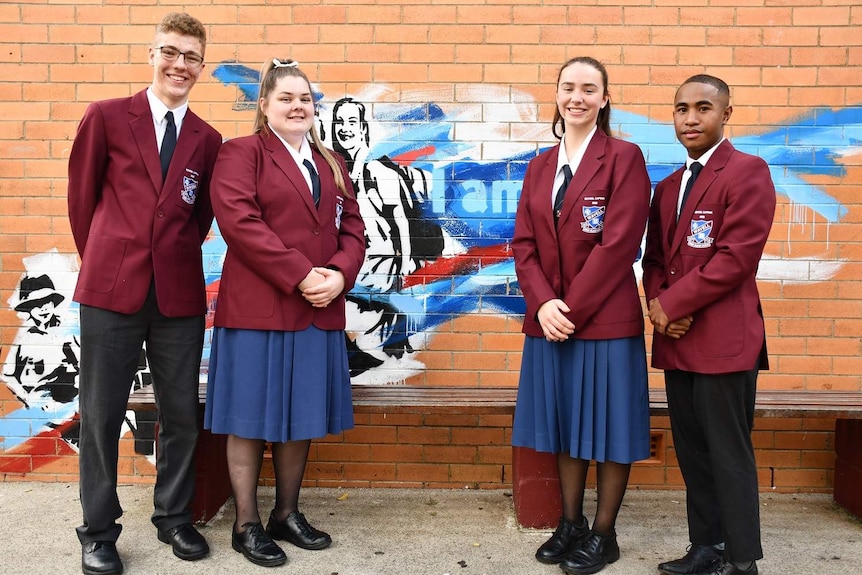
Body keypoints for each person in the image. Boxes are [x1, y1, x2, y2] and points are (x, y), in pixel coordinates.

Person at [67, 12, 221, 575]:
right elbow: (82, 202)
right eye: (170, 52)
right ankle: (99, 531)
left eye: (191, 57)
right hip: (111, 291)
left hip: (177, 295)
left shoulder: (208, 139)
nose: (179, 65)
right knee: (101, 414)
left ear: (201, 67)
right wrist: (110, 259)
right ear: (152, 55)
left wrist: (166, 260)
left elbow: (199, 217)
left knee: (181, 412)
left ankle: (173, 518)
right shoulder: (107, 117)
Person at [204, 58, 365, 568]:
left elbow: (354, 230)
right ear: (265, 105)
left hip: (319, 310)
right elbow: (240, 223)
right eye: (286, 98)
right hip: (258, 311)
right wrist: (301, 275)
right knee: (249, 418)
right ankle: (246, 523)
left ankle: (286, 514)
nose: (298, 107)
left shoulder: (331, 163)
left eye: (306, 100)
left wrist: (339, 275)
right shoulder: (240, 154)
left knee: (301, 416)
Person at [511, 57, 652, 575]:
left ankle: (603, 533)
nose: (577, 97)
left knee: (610, 429)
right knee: (565, 425)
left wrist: (567, 309)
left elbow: (619, 245)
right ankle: (569, 525)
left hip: (604, 322)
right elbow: (523, 243)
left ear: (605, 99)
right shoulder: (541, 165)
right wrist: (543, 303)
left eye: (589, 89)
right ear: (556, 94)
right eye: (568, 87)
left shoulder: (624, 158)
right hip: (549, 321)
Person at [642, 74, 776, 575]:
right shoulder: (668, 186)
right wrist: (659, 305)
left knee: (729, 455)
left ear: (726, 114)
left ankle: (742, 561)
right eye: (682, 109)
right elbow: (653, 259)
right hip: (677, 341)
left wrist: (671, 304)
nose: (691, 118)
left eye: (703, 108)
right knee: (694, 452)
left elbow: (736, 257)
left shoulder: (747, 171)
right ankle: (707, 548)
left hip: (724, 342)